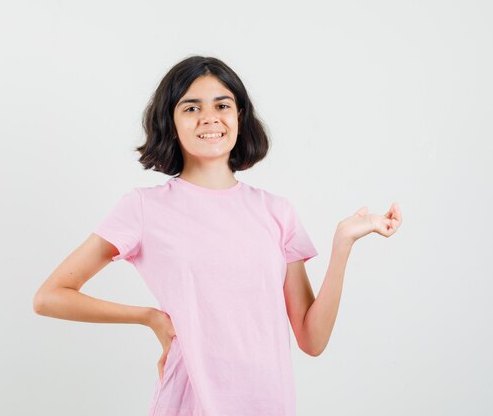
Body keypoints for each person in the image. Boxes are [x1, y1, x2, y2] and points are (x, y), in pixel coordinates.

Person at [33, 55, 402, 416]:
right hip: (189, 402)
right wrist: (150, 317)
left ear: (239, 116)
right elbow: (50, 297)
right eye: (191, 108)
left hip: (268, 403)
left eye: (222, 104)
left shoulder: (276, 212)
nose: (209, 117)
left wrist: (343, 244)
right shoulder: (144, 208)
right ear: (171, 122)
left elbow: (312, 339)